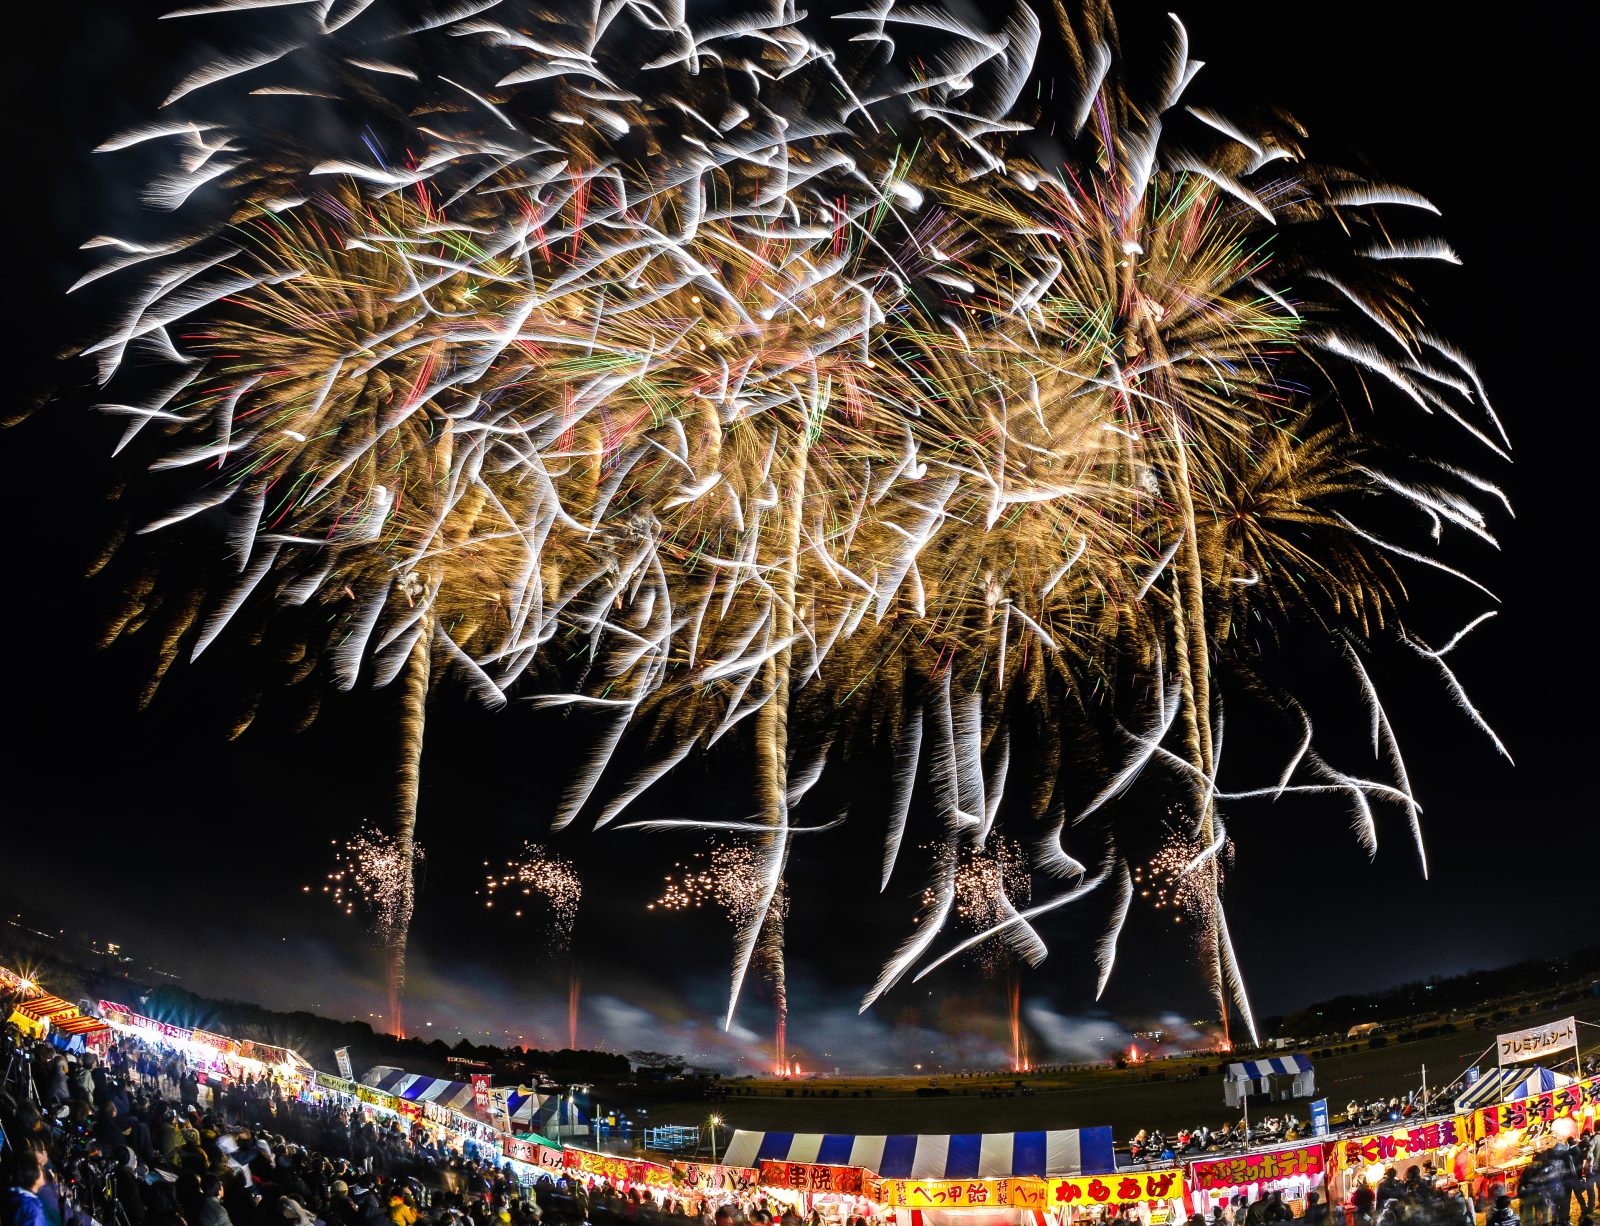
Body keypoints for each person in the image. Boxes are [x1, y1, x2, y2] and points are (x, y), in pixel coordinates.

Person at [2, 1152, 50, 1226]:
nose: (43, 1172)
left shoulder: (16, 1197)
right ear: (31, 1173)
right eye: (40, 1169)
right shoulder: (31, 1210)